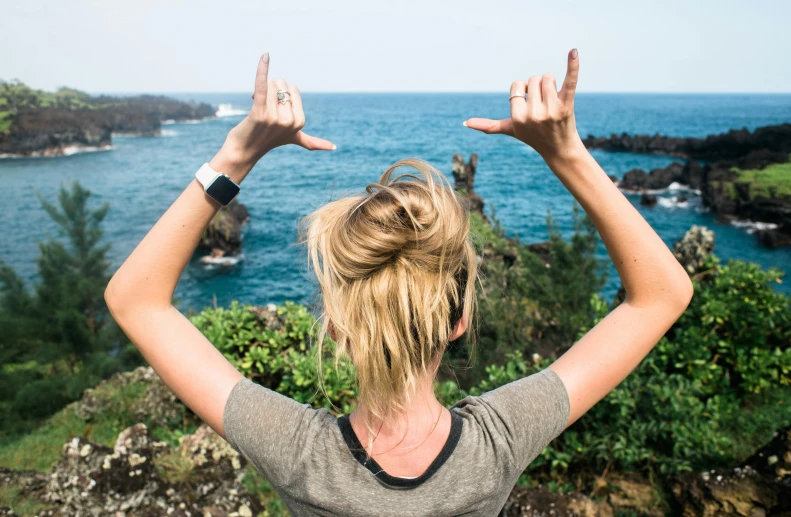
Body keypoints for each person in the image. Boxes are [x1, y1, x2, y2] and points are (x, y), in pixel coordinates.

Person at [105, 49, 693, 516]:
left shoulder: (297, 454)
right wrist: (566, 154)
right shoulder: (498, 443)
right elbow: (662, 295)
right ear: (459, 319)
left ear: (335, 323)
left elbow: (136, 300)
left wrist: (234, 156)